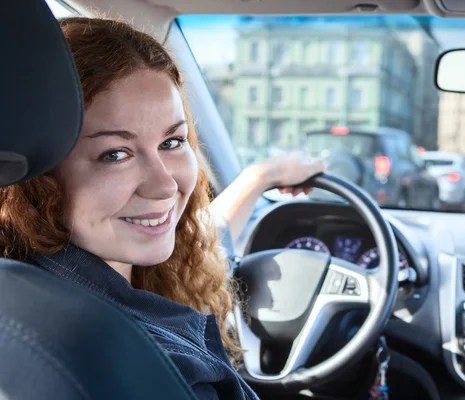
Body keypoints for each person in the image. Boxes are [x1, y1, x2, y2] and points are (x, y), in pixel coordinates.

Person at [0, 17, 323, 400]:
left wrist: (261, 176)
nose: (165, 185)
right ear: (38, 175)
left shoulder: (24, 288)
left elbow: (205, 237)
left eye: (172, 142)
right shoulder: (157, 370)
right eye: (115, 154)